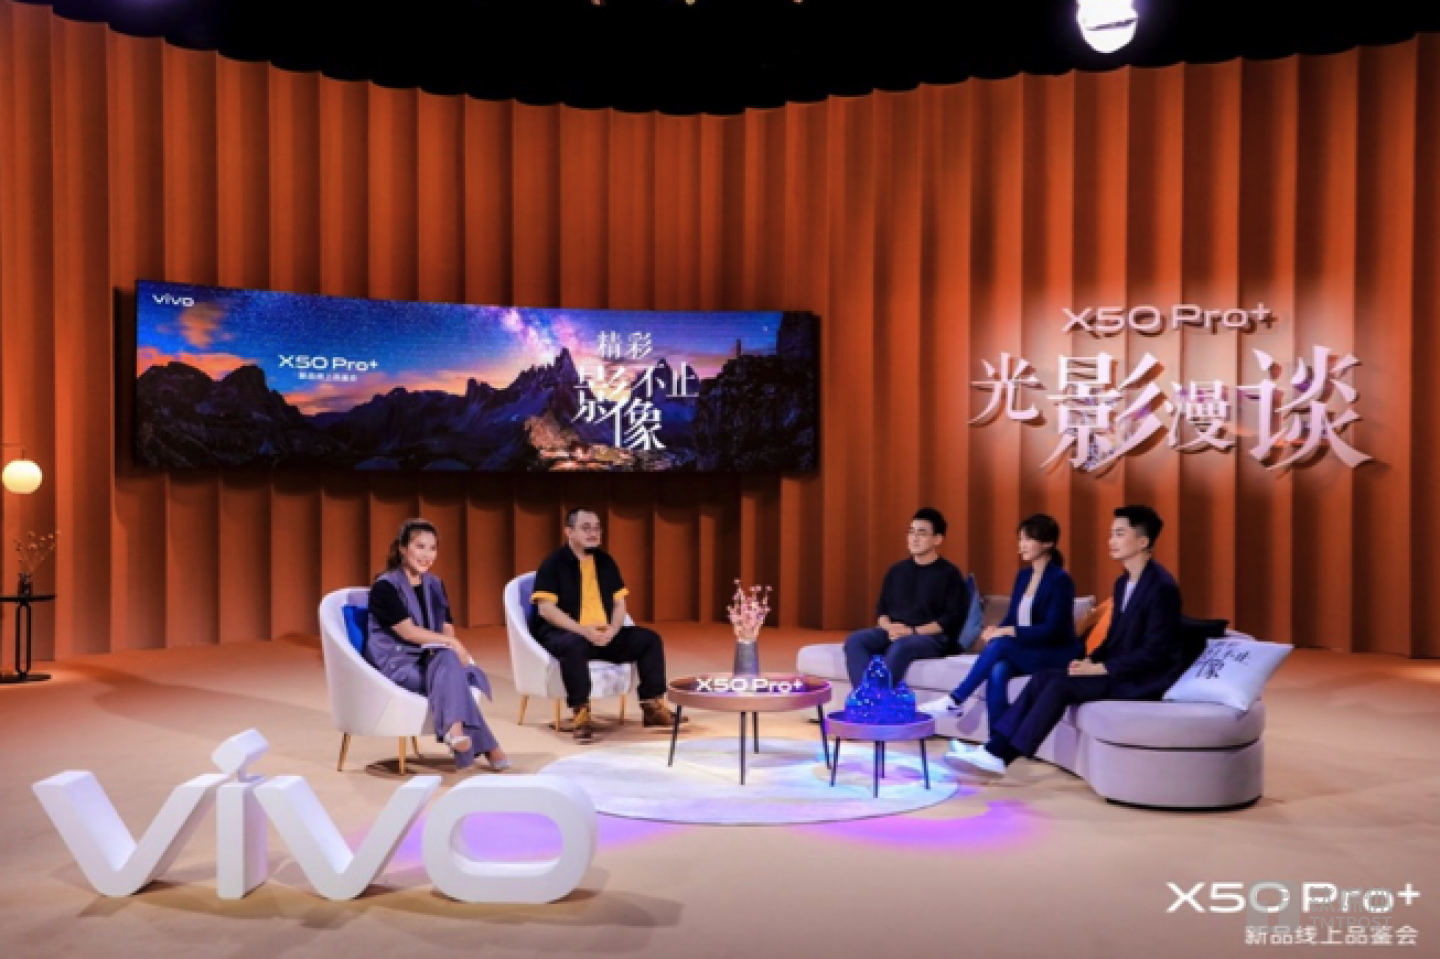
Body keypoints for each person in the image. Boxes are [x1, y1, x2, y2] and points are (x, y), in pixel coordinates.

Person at [947, 504, 1186, 780]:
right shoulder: (1123, 583)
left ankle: (1000, 753)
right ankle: (994, 750)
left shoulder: (1162, 587)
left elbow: (1155, 652)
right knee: (1043, 677)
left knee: (1059, 685)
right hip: (1114, 667)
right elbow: (1113, 638)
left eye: (1120, 534)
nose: (1111, 540)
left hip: (1138, 678)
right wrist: (1089, 660)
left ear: (1143, 542)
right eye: (1111, 534)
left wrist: (1101, 668)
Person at [529, 507, 686, 742]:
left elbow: (620, 604)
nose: (593, 533)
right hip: (567, 632)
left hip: (603, 633)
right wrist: (583, 631)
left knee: (649, 640)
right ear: (568, 532)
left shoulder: (605, 562)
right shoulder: (553, 564)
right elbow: (546, 610)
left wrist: (613, 629)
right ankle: (581, 713)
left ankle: (652, 706)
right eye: (586, 528)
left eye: (597, 528)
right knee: (574, 646)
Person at [366, 518, 509, 772]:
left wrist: (449, 645)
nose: (427, 555)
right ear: (402, 548)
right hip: (398, 661)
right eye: (420, 547)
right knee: (453, 677)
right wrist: (452, 643)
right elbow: (409, 633)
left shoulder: (434, 584)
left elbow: (445, 625)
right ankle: (484, 744)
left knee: (448, 662)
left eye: (432, 548)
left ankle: (457, 732)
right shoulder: (385, 587)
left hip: (431, 657)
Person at [918, 513, 1079, 729]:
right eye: (1020, 539)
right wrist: (997, 629)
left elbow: (1053, 629)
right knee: (998, 670)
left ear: (1048, 543)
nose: (1021, 545)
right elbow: (1013, 617)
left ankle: (955, 699)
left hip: (1054, 654)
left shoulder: (1060, 580)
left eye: (1028, 539)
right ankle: (996, 741)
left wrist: (1008, 632)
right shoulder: (1023, 576)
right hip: (1029, 650)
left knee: (1001, 645)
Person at [842, 507, 968, 689]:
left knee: (902, 646)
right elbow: (882, 610)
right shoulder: (896, 571)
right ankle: (866, 695)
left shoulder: (950, 574)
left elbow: (951, 620)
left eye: (921, 533)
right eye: (911, 532)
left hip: (931, 638)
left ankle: (876, 698)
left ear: (937, 539)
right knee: (856, 640)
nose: (914, 538)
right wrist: (889, 627)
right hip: (895, 631)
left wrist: (912, 631)